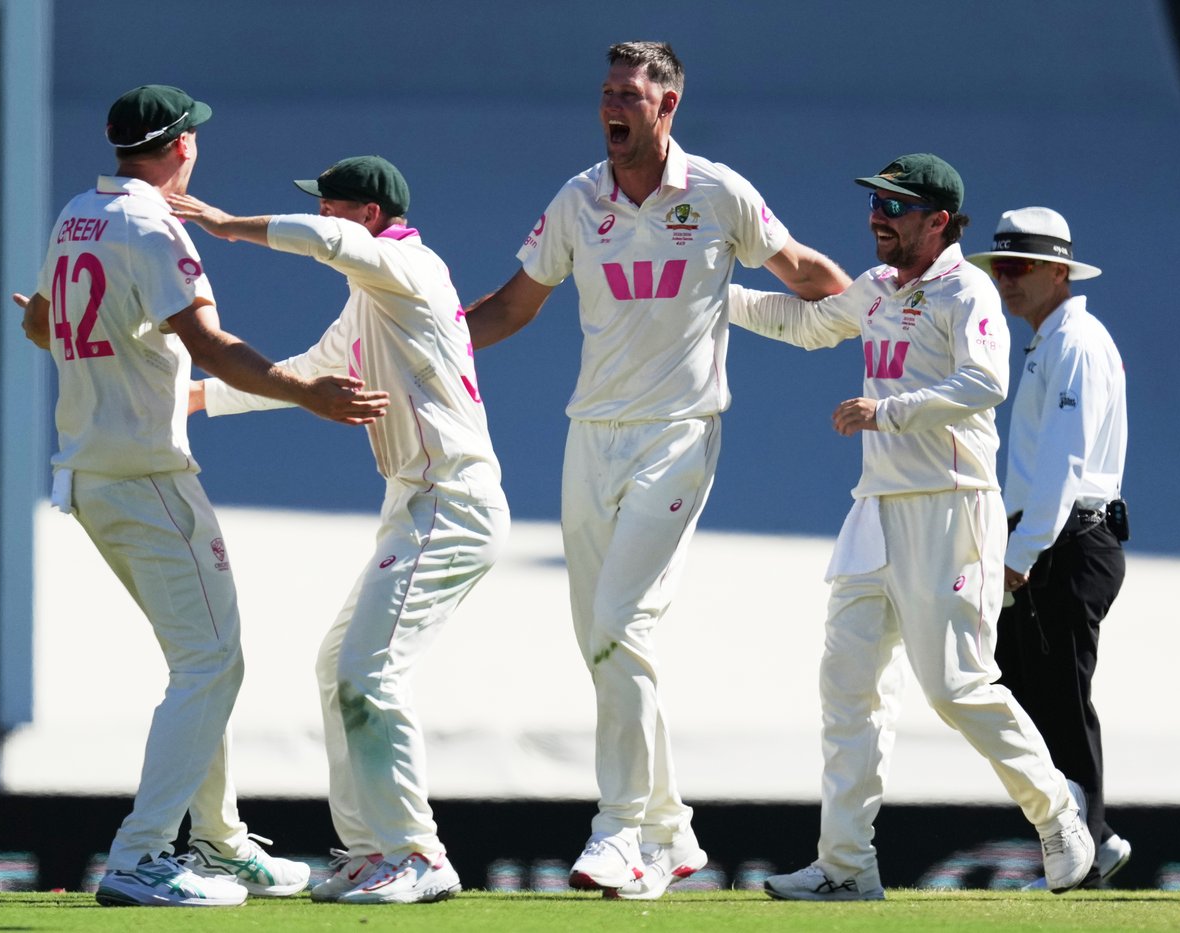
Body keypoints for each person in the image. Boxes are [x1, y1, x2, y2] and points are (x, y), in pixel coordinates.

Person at [465, 41, 851, 900]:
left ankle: (620, 830)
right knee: (604, 644)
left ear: (667, 105)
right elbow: (512, 305)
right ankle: (672, 828)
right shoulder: (578, 199)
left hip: (680, 434)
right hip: (589, 436)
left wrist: (882, 305)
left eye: (629, 95)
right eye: (605, 93)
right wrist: (426, 343)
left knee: (620, 623)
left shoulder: (718, 193)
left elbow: (803, 274)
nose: (613, 107)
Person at [13, 85, 389, 908]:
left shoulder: (79, 211)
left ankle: (216, 842)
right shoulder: (153, 227)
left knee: (201, 660)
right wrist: (306, 391)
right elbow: (211, 344)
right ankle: (142, 853)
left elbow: (40, 324)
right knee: (214, 661)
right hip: (147, 475)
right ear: (181, 148)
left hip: (89, 473)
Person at [725, 154, 1095, 900]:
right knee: (849, 689)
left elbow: (987, 381)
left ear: (939, 222)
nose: (877, 219)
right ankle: (845, 864)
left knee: (957, 685)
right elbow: (803, 324)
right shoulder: (878, 289)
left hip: (951, 505)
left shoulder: (969, 291)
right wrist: (713, 297)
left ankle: (1059, 811)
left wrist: (885, 410)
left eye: (895, 208)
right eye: (876, 205)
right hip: (875, 510)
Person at [169, 154, 508, 906]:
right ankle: (369, 849)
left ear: (368, 214)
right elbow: (300, 374)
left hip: (452, 499)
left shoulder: (410, 267)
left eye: (331, 207)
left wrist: (228, 226)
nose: (322, 219)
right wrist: (191, 399)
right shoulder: (367, 301)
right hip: (415, 502)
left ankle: (417, 853)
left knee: (368, 670)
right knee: (339, 666)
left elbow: (335, 246)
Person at [966, 207, 1130, 888]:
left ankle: (1083, 851)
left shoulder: (1074, 343)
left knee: (1059, 693)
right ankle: (1093, 836)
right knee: (1023, 681)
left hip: (1068, 539)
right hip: (1054, 537)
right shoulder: (1052, 341)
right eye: (1000, 266)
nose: (1006, 279)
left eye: (1021, 266)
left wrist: (1020, 553)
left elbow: (1062, 465)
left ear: (1058, 271)